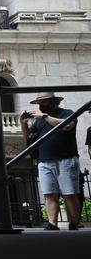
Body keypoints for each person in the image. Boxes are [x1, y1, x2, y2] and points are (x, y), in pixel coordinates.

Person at [20, 92, 80, 230]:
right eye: (40, 103)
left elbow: (67, 126)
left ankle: (73, 223)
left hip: (66, 159)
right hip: (44, 161)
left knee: (69, 193)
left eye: (44, 102)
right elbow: (28, 136)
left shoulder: (67, 113)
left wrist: (45, 117)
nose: (41, 106)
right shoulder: (39, 121)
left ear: (54, 102)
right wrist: (23, 123)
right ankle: (53, 223)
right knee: (49, 194)